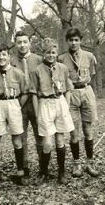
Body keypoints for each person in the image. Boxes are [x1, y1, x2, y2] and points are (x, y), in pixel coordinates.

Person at [30, 38, 75, 184]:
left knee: (60, 140)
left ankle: (61, 172)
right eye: (48, 52)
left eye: (53, 52)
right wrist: (37, 114)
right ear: (43, 53)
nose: (51, 55)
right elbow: (34, 94)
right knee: (47, 143)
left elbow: (67, 89)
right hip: (45, 103)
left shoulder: (63, 68)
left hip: (60, 102)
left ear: (57, 53)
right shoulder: (37, 71)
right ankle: (43, 171)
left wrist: (66, 107)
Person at [0, 44, 28, 186]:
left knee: (17, 141)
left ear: (8, 56)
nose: (1, 57)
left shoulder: (17, 73)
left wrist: (18, 105)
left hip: (14, 104)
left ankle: (20, 173)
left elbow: (26, 92)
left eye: (4, 54)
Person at [58, 27, 99, 178]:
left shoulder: (89, 56)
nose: (74, 43)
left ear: (81, 41)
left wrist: (84, 87)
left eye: (76, 40)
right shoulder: (61, 58)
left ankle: (90, 162)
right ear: (67, 41)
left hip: (86, 91)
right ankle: (76, 163)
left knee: (88, 130)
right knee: (74, 132)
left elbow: (92, 74)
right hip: (71, 93)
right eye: (71, 40)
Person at [10, 31, 43, 177]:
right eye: (19, 42)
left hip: (37, 102)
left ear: (29, 43)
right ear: (15, 44)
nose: (22, 45)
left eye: (25, 42)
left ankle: (43, 166)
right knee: (20, 135)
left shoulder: (39, 59)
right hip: (20, 103)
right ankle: (24, 167)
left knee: (40, 134)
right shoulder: (11, 61)